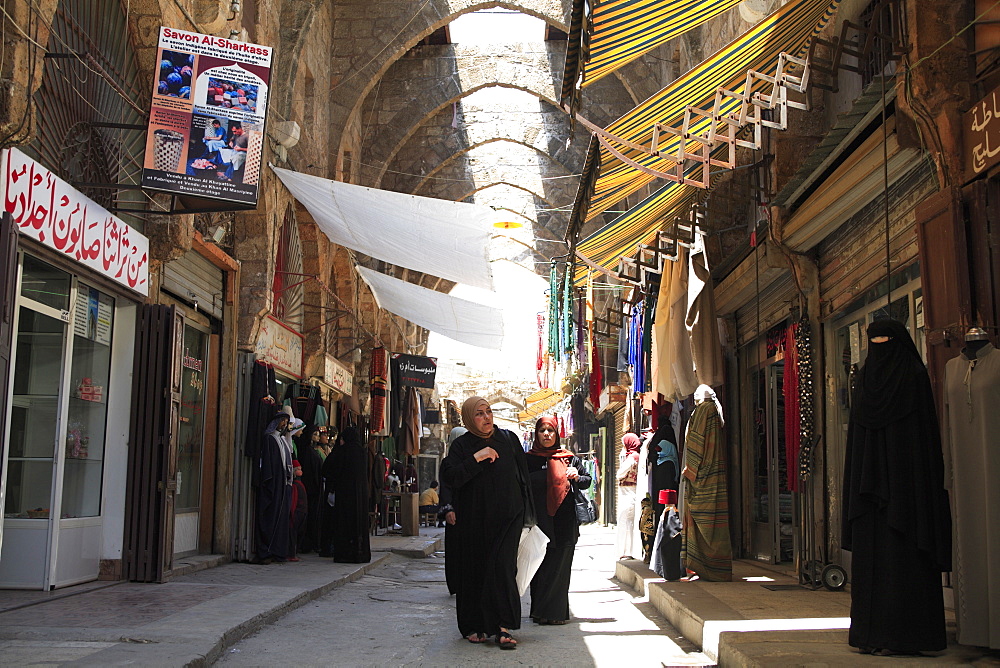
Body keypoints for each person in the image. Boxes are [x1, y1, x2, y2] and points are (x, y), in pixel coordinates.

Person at [842, 319, 951, 655]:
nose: (880, 345)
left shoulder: (877, 382)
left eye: (885, 339)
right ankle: (892, 636)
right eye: (875, 339)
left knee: (887, 565)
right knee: (899, 564)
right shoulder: (907, 378)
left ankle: (884, 635)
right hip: (903, 498)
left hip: (882, 500)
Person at [440, 397, 533, 649]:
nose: (486, 417)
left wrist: (528, 512)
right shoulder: (461, 446)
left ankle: (503, 626)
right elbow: (451, 477)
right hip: (473, 520)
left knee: (502, 569)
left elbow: (523, 475)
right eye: (479, 414)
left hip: (508, 517)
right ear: (470, 418)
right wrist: (477, 458)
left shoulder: (509, 439)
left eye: (488, 411)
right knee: (476, 570)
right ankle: (476, 625)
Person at [525, 416, 590, 625]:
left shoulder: (569, 458)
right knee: (540, 567)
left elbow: (587, 480)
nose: (546, 434)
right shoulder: (528, 460)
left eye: (550, 430)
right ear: (536, 434)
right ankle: (539, 612)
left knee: (560, 567)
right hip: (538, 522)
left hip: (564, 521)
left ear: (557, 434)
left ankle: (556, 613)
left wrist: (577, 476)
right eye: (542, 430)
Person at [681, 384, 732, 582]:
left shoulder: (703, 411)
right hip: (715, 473)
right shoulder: (714, 411)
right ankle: (718, 568)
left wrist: (691, 471)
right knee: (715, 519)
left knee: (700, 517)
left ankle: (703, 566)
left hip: (703, 475)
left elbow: (696, 442)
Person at [322, 426, 372, 563]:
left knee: (344, 523)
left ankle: (345, 553)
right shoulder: (362, 452)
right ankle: (360, 552)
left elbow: (328, 469)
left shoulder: (342, 452)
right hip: (360, 495)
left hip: (345, 495)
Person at [255, 411, 292, 564]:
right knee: (271, 515)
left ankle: (278, 550)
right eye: (282, 421)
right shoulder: (270, 439)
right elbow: (268, 465)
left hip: (282, 484)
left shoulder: (282, 440)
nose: (284, 424)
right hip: (274, 484)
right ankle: (267, 550)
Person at [440, 427, 466, 591]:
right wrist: (448, 509)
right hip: (455, 512)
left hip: (469, 510)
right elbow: (445, 487)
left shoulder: (474, 460)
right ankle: (456, 583)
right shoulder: (448, 463)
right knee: (455, 549)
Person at [615, 433, 641, 559]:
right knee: (628, 521)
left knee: (625, 521)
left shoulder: (632, 458)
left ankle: (626, 551)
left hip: (628, 493)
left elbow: (620, 474)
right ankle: (627, 550)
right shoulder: (636, 456)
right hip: (631, 492)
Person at [288, 460, 307, 562]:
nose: (300, 471)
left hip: (301, 512)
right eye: (298, 469)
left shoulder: (298, 484)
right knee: (293, 533)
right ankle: (291, 554)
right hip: (298, 512)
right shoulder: (295, 485)